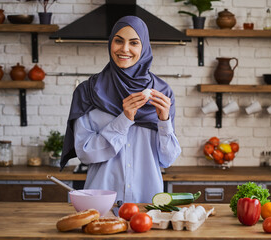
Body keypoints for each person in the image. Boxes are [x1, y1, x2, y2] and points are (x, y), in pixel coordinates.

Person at [60, 16, 181, 203]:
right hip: (101, 204)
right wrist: (124, 119)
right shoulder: (88, 91)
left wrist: (164, 121)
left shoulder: (162, 93)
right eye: (118, 41)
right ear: (110, 43)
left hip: (147, 204)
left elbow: (167, 159)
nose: (124, 49)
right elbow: (84, 154)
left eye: (134, 43)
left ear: (145, 47)